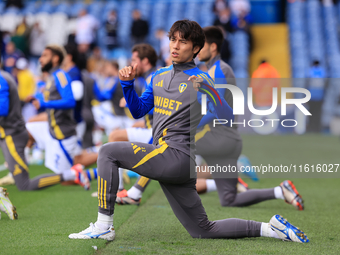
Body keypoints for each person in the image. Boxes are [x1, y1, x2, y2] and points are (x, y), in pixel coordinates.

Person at [69, 20, 309, 243]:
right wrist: (127, 85)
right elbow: (138, 110)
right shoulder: (158, 76)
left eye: (183, 41)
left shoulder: (201, 78)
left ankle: (103, 225)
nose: (175, 45)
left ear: (196, 49)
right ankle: (271, 228)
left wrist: (211, 92)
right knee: (203, 230)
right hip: (178, 162)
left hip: (174, 156)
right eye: (173, 39)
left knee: (108, 151)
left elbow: (226, 117)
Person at [116, 27, 304, 211]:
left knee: (166, 147)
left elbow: (216, 109)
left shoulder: (217, 71)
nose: (197, 49)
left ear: (212, 47)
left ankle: (135, 192)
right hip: (227, 139)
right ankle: (280, 191)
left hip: (216, 135)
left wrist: (189, 123)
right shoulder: (216, 70)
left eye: (201, 45)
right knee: (230, 199)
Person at [0, 49, 87, 190]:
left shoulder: (61, 75)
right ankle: (17, 166)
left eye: (45, 55)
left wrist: (44, 103)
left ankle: (96, 159)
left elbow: (70, 101)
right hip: (52, 129)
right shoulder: (51, 77)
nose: (40, 59)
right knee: (30, 124)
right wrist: (37, 98)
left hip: (63, 132)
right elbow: (49, 98)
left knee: (74, 167)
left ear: (55, 58)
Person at [306, 60, 326, 133]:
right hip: (320, 96)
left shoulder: (310, 71)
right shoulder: (322, 71)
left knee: (311, 113)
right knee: (318, 113)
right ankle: (317, 128)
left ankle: (311, 128)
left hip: (312, 96)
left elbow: (307, 83)